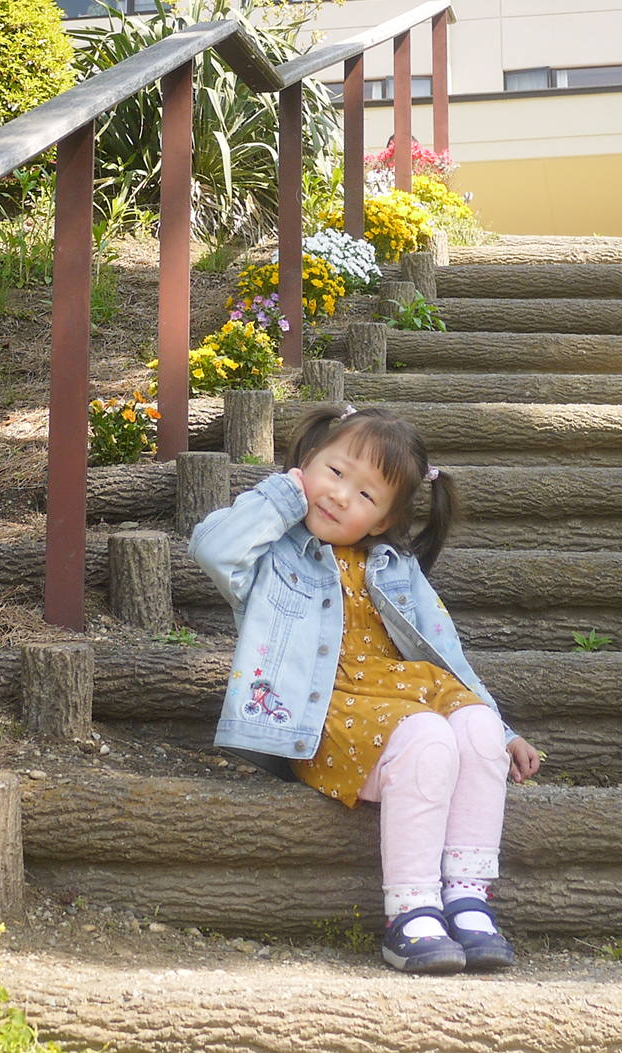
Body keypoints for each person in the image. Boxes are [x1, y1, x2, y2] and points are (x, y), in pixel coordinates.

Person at [189, 404, 542, 975]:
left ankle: (468, 898)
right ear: (306, 463)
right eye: (333, 472)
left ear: (381, 523)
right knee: (428, 736)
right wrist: (285, 494)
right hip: (326, 712)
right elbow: (211, 548)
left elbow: (445, 655)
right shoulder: (272, 556)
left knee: (474, 727)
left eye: (367, 496)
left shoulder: (396, 568)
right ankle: (412, 911)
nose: (340, 496)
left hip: (405, 695)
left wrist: (502, 728)